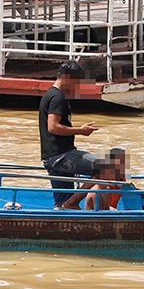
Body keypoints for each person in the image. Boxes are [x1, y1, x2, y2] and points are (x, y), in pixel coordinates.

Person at [40, 61, 99, 208]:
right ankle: (73, 202)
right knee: (110, 166)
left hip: (51, 157)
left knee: (60, 205)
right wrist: (81, 130)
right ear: (67, 78)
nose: (77, 86)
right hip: (61, 156)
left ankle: (67, 208)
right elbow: (53, 127)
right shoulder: (57, 97)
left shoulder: (49, 95)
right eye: (76, 82)